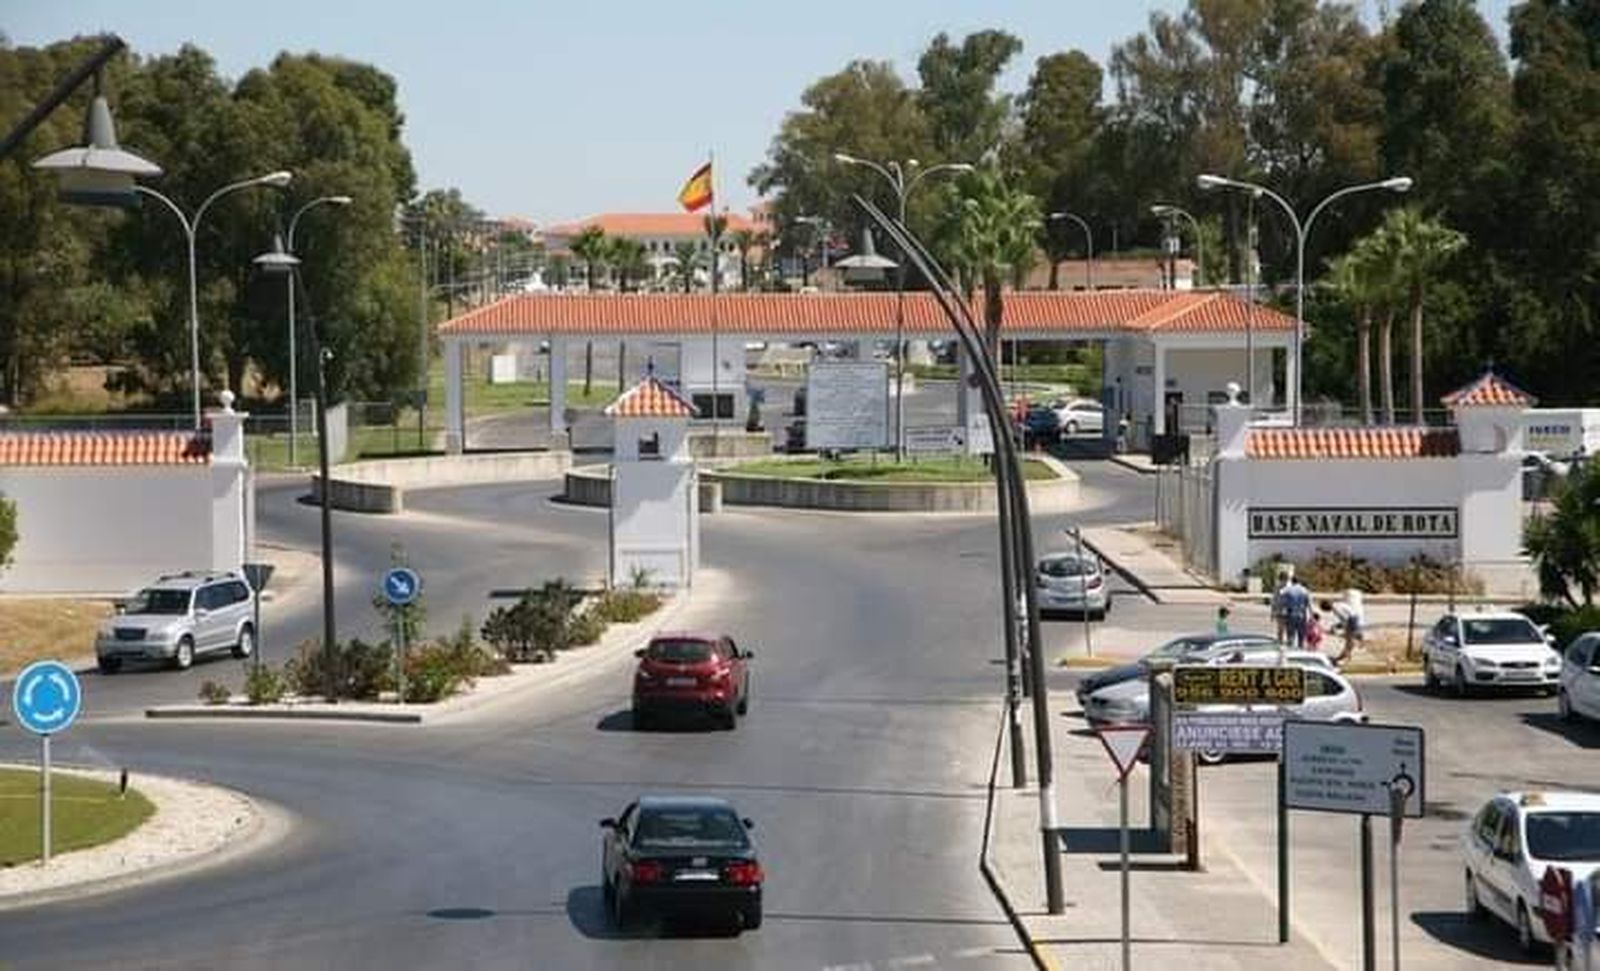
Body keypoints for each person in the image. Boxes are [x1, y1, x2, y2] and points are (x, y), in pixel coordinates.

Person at [1322, 593, 1366, 665]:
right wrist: (1337, 626)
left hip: (1352, 620)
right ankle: (1356, 644)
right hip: (1354, 618)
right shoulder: (1337, 604)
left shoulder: (1336, 608)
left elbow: (1345, 619)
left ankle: (1345, 656)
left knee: (1349, 640)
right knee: (1350, 639)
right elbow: (1344, 619)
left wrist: (1343, 628)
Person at [1279, 574, 1311, 648]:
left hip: (1291, 614)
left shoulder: (1289, 589)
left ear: (1292, 581)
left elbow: (1281, 593)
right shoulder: (1304, 590)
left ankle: (1291, 649)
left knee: (1291, 635)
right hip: (1302, 615)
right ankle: (1300, 648)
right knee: (1301, 635)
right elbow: (1308, 603)